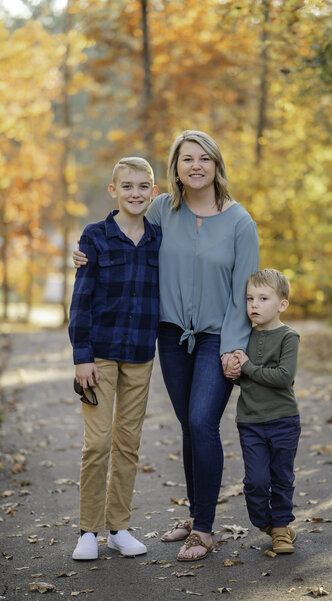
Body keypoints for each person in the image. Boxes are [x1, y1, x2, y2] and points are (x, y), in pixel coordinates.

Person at [73, 130, 259, 561]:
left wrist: (236, 346)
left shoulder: (239, 222)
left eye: (204, 158)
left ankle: (206, 530)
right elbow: (124, 218)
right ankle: (194, 516)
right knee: (188, 427)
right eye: (186, 158)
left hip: (218, 338)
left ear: (217, 164)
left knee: (201, 422)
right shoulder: (163, 209)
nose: (195, 166)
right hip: (170, 337)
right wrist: (85, 251)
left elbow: (245, 290)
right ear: (175, 168)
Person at [68, 157, 161, 560]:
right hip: (100, 355)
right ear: (113, 191)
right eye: (127, 186)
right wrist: (81, 356)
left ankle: (118, 527)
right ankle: (88, 530)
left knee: (128, 443)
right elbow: (81, 301)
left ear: (153, 193)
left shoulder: (159, 238)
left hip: (141, 354)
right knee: (99, 443)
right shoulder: (94, 236)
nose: (135, 193)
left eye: (143, 186)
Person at [226, 268, 301, 554]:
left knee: (281, 477)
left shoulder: (288, 337)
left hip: (283, 420)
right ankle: (266, 523)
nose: (254, 305)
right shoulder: (245, 336)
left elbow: (283, 376)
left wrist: (246, 366)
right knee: (256, 481)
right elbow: (244, 378)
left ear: (282, 304)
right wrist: (234, 372)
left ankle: (281, 530)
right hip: (251, 421)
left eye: (263, 298)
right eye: (249, 298)